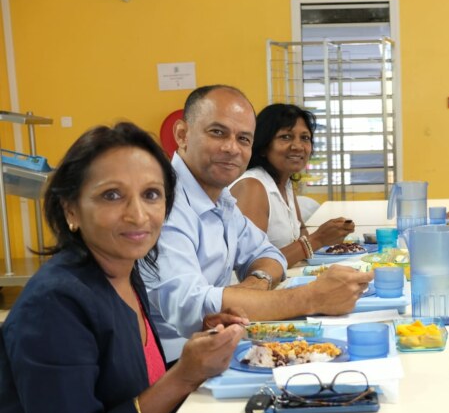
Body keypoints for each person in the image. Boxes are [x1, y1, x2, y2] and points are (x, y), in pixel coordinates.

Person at [0, 123, 327, 413]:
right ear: (71, 209)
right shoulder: (54, 305)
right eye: (112, 195)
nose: (138, 214)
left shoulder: (124, 269)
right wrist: (185, 376)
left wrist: (205, 335)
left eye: (151, 195)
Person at [141, 85, 372, 363]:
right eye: (217, 132)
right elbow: (194, 307)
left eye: (243, 139)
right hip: (177, 366)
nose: (231, 148)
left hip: (220, 346)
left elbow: (269, 254)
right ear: (182, 135)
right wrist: (311, 297)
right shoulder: (163, 203)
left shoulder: (221, 198)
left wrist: (256, 282)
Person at [230, 103, 355, 267]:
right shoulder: (252, 186)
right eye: (286, 137)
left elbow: (301, 232)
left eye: (305, 138)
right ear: (263, 146)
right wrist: (318, 239)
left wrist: (332, 236)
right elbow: (252, 266)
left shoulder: (284, 182)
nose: (298, 146)